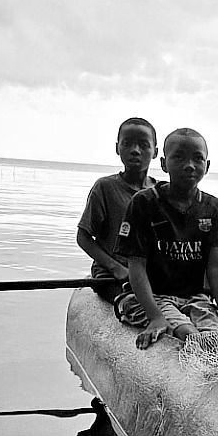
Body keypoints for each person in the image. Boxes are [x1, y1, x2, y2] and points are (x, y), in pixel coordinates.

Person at [118, 127, 218, 348]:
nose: (189, 165)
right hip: (152, 297)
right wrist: (155, 316)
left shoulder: (214, 208)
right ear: (164, 164)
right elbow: (136, 266)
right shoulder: (144, 203)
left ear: (207, 166)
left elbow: (216, 266)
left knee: (217, 337)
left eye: (197, 158)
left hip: (196, 299)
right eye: (179, 157)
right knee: (188, 334)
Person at [76, 118, 158, 315]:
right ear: (117, 148)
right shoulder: (105, 187)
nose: (135, 150)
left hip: (147, 275)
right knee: (141, 307)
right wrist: (116, 268)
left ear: (155, 152)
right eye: (127, 144)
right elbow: (83, 237)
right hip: (111, 275)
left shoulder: (160, 193)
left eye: (143, 145)